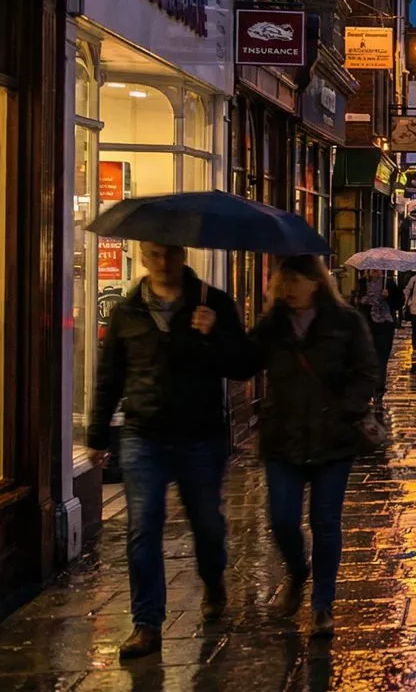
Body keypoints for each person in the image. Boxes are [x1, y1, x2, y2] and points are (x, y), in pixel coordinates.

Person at [86, 242, 253, 659]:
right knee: (143, 528)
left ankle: (213, 582)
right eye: (155, 254)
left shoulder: (213, 303)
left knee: (207, 524)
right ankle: (147, 623)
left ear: (183, 255)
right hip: (144, 435)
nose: (163, 263)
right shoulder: (127, 312)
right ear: (143, 255)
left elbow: (245, 364)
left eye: (170, 254)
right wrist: (97, 434)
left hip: (201, 434)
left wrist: (214, 334)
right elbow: (110, 374)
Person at [244, 255, 381, 639]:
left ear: (316, 283)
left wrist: (346, 410)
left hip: (332, 439)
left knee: (325, 522)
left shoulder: (345, 322)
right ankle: (298, 571)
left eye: (295, 281)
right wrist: (211, 331)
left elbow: (367, 371)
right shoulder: (273, 325)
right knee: (283, 519)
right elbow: (242, 364)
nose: (287, 289)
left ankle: (322, 604)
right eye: (283, 281)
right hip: (283, 438)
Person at [354, 270, 396, 382]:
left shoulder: (389, 282)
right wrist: (362, 300)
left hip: (385, 325)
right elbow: (355, 300)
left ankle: (379, 387)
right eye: (372, 268)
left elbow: (398, 303)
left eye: (377, 268)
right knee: (368, 358)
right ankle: (370, 383)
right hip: (368, 325)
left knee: (382, 358)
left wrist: (388, 297)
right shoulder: (362, 282)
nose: (375, 270)